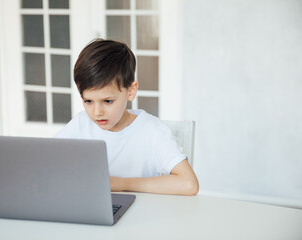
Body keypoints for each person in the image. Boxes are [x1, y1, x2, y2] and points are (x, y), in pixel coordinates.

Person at [56, 39, 199, 196]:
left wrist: (120, 184)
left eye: (107, 101)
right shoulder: (80, 124)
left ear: (131, 91)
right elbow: (47, 163)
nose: (97, 112)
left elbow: (189, 184)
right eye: (88, 101)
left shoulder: (152, 131)